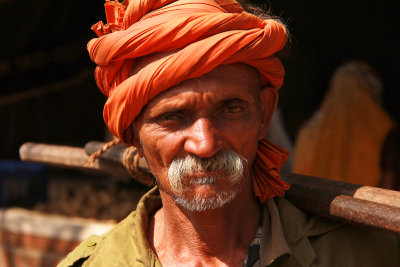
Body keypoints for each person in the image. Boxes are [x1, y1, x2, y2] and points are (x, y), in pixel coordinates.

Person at [59, 0, 399, 266]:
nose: (205, 144)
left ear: (264, 113)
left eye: (231, 109)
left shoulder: (365, 254)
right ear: (132, 132)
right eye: (174, 117)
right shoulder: (97, 264)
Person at [292, 60, 398, 188]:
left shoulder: (307, 131)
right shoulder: (384, 130)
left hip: (309, 205)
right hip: (365, 207)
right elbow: (388, 186)